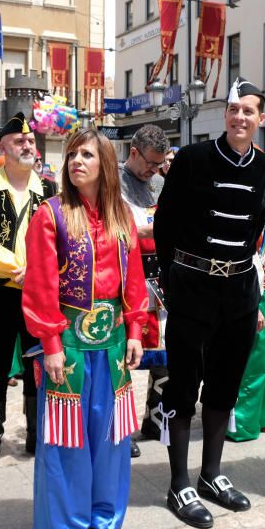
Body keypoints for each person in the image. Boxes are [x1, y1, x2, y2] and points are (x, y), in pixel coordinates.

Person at [154, 77, 265, 529]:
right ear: (223, 115)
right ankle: (178, 482)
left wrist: (257, 298)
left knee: (225, 386)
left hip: (239, 293)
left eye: (249, 110)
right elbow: (165, 223)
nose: (240, 117)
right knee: (183, 387)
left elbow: (257, 231)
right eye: (234, 109)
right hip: (192, 287)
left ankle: (211, 474)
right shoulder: (191, 159)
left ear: (260, 119)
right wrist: (170, 281)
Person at [22, 128, 147, 529]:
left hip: (112, 347)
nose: (77, 161)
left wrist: (134, 329)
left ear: (105, 164)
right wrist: (51, 345)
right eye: (73, 155)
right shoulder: (51, 214)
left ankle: (104, 518)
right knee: (66, 444)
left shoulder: (122, 217)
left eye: (87, 155)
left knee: (111, 440)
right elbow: (40, 286)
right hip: (70, 349)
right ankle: (66, 528)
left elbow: (134, 281)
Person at [0, 113, 57, 477]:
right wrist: (20, 271)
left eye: (31, 140)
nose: (27, 145)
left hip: (42, 297)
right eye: (19, 141)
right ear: (3, 147)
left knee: (41, 364)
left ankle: (38, 435)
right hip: (3, 294)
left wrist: (38, 275)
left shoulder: (50, 190)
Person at [118, 124, 170, 458]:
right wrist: (148, 229)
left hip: (161, 284)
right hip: (126, 282)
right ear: (133, 153)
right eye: (150, 163)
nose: (153, 171)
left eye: (158, 165)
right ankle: (120, 429)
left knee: (165, 357)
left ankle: (155, 419)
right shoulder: (111, 184)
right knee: (123, 358)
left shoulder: (162, 184)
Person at [226, 186, 265, 443]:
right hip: (248, 298)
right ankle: (242, 422)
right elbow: (240, 265)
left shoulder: (262, 221)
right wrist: (254, 303)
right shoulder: (241, 222)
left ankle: (261, 416)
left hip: (264, 294)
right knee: (250, 364)